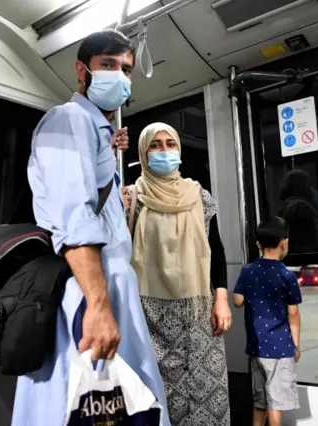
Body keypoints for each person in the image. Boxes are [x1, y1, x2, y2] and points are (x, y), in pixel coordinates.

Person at [11, 29, 168, 426]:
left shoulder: (96, 134)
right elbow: (73, 219)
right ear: (83, 71)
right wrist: (98, 306)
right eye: (109, 65)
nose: (121, 77)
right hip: (88, 292)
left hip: (108, 288)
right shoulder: (67, 119)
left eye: (127, 69)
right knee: (83, 408)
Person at [124, 122, 232, 425]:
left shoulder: (199, 196)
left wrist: (220, 299)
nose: (164, 151)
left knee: (207, 399)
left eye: (170, 144)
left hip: (198, 316)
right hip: (149, 319)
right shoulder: (132, 199)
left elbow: (217, 251)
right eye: (155, 145)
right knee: (156, 401)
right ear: (144, 153)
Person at [233, 217, 302, 426]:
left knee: (260, 402)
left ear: (258, 245)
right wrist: (296, 345)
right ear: (284, 243)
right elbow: (293, 314)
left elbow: (237, 301)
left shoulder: (248, 271)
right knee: (276, 403)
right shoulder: (286, 276)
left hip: (257, 347)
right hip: (281, 348)